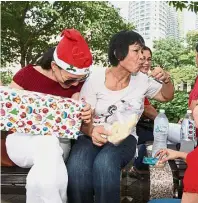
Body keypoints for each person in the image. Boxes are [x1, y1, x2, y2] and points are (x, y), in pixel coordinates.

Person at [66, 30, 174, 203]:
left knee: (105, 164)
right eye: (136, 51)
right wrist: (92, 131)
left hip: (125, 139)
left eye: (143, 52)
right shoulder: (95, 80)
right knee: (77, 168)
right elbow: (84, 119)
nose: (141, 57)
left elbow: (166, 96)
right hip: (91, 134)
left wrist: (167, 80)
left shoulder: (142, 80)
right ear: (118, 53)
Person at [5, 29, 93, 203]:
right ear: (54, 66)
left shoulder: (77, 85)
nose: (75, 84)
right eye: (70, 80)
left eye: (80, 80)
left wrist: (85, 113)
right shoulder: (25, 76)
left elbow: (80, 114)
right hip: (22, 142)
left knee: (49, 149)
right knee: (48, 144)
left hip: (59, 144)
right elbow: (9, 113)